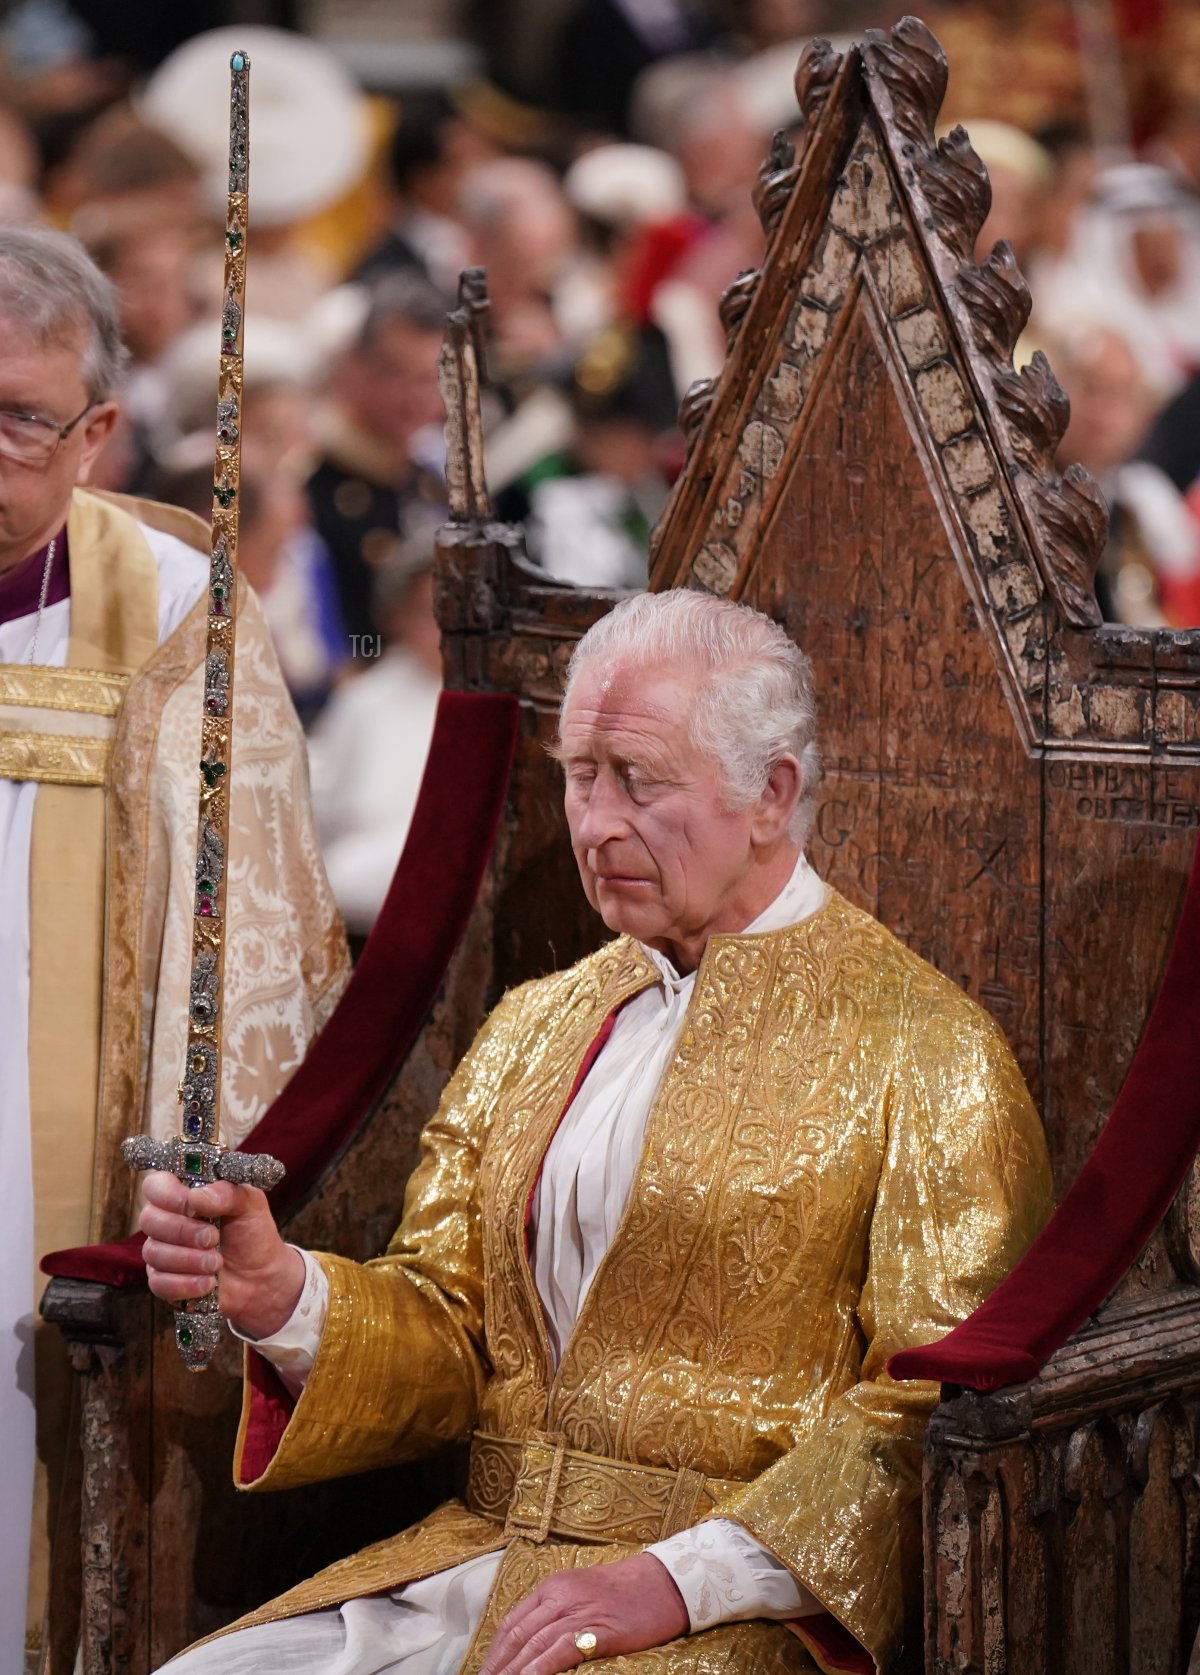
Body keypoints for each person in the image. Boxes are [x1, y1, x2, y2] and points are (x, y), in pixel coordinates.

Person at [141, 589, 1053, 1675]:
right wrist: (285, 1294)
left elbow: (934, 1402)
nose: (596, 821)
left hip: (738, 1608)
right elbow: (453, 1331)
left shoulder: (930, 1053)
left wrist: (679, 1577)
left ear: (771, 792)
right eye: (580, 773)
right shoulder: (538, 1021)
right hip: (472, 1565)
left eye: (640, 779)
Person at [0, 225, 349, 1675]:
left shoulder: (179, 609)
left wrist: (200, 1167)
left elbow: (251, 922)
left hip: (41, 1195)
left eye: (19, 415)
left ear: (93, 433)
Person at [307, 528, 443, 937]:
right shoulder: (364, 702)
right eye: (428, 612)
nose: (444, 628)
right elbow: (324, 818)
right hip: (371, 907)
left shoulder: (513, 701)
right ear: (398, 617)